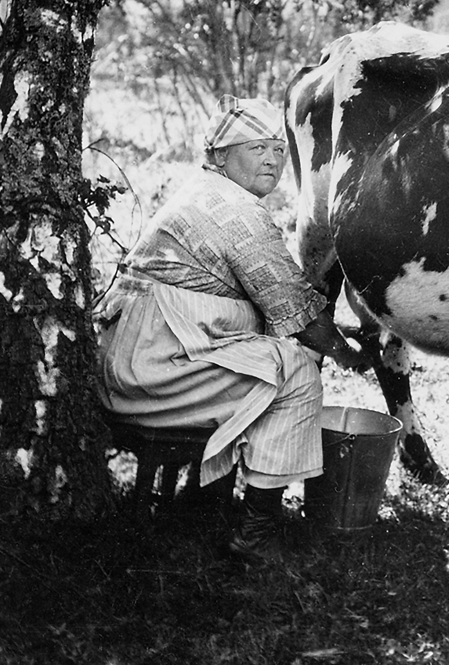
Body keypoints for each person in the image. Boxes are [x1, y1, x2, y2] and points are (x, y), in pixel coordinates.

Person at [95, 95, 368, 559]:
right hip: (149, 368)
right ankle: (256, 532)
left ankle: (205, 498)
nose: (272, 159)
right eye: (257, 148)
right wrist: (346, 354)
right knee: (297, 374)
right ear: (220, 156)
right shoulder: (235, 211)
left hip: (137, 359)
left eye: (278, 149)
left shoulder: (205, 191)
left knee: (266, 357)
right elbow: (296, 310)